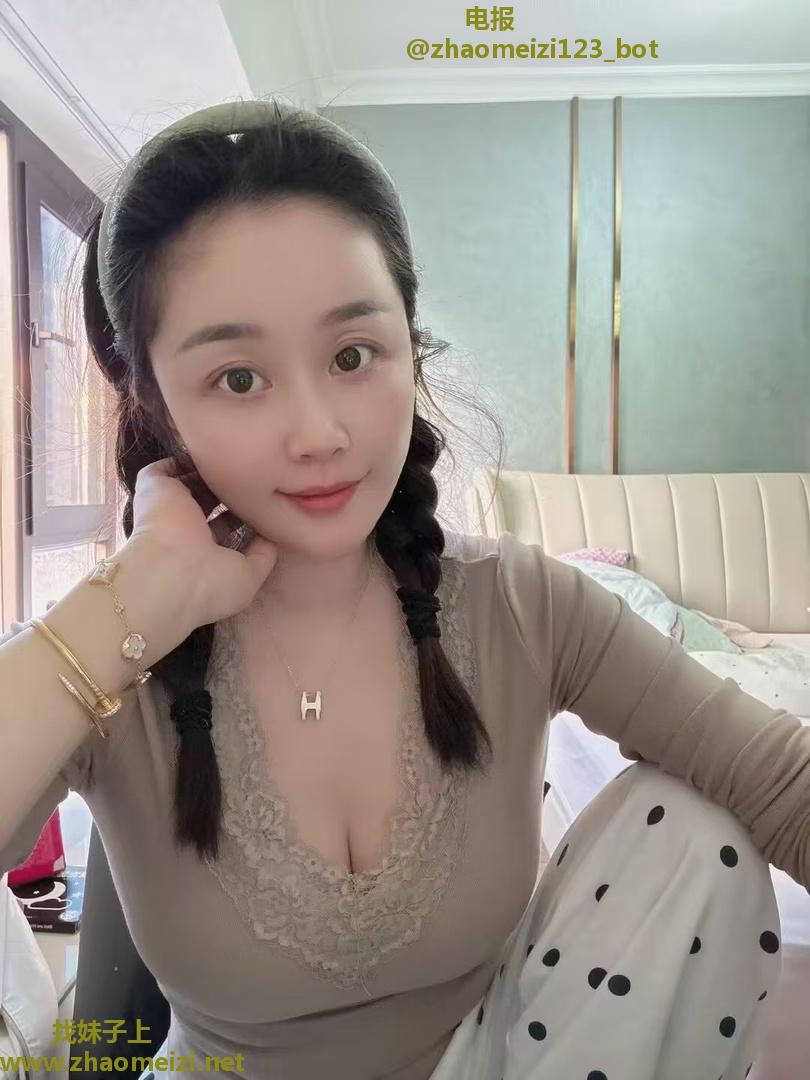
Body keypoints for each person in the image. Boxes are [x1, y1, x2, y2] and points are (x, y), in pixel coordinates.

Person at [0, 97, 804, 1080]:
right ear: (156, 402)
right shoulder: (110, 658)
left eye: (352, 356)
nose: (320, 434)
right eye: (238, 378)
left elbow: (780, 782)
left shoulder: (519, 605)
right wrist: (128, 608)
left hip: (492, 1062)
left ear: (408, 349)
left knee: (695, 831)